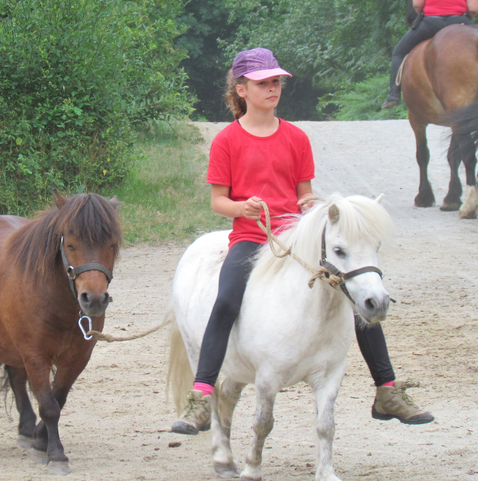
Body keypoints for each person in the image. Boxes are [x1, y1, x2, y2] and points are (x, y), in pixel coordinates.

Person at [174, 47, 434, 435]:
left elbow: (304, 195)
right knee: (226, 298)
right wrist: (243, 207)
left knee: (355, 293)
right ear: (241, 89)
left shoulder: (296, 137)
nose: (273, 88)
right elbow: (218, 201)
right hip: (251, 238)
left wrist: (317, 207)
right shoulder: (227, 140)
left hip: (297, 237)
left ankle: (387, 389)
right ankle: (201, 394)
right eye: (264, 83)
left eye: (277, 81)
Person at [381, 0, 478, 109]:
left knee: (399, 51)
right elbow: (474, 9)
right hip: (459, 24)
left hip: (431, 23)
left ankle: (393, 95)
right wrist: (464, 19)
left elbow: (417, 4)